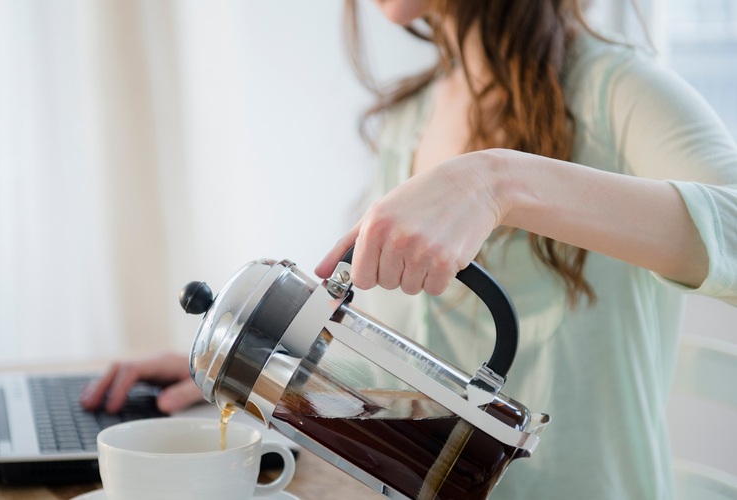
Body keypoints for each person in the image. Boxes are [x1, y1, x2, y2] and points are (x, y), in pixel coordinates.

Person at [83, 0, 737, 498]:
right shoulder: (412, 121)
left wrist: (497, 180)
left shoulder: (618, 92)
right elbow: (410, 384)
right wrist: (261, 368)